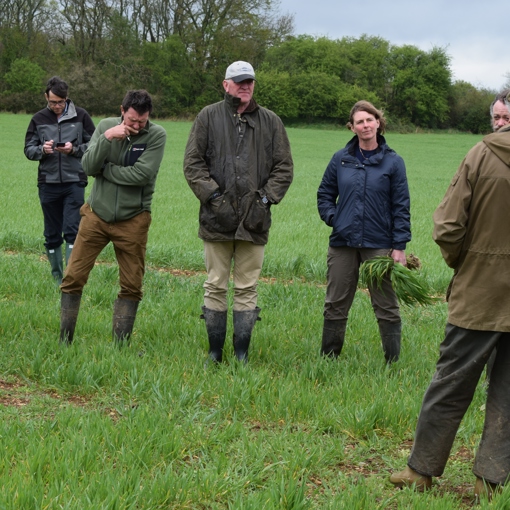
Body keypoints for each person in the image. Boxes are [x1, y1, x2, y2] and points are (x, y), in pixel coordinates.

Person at [389, 93, 510, 500]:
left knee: (451, 382)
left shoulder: (479, 155)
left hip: (478, 294)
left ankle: (421, 471)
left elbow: (447, 226)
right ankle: (489, 482)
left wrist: (467, 262)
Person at [183, 61, 293, 363]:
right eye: (239, 81)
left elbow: (283, 168)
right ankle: (215, 352)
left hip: (254, 222)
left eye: (250, 82)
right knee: (215, 284)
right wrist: (215, 200)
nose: (245, 86)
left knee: (247, 287)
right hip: (215, 220)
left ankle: (242, 353)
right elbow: (193, 165)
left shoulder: (271, 121)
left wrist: (265, 202)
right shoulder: (208, 117)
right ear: (225, 84)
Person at [59, 90, 167, 344]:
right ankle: (65, 340)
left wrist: (105, 170)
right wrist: (107, 138)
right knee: (73, 277)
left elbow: (141, 176)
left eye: (142, 121)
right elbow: (87, 166)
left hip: (133, 219)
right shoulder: (106, 127)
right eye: (132, 120)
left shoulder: (156, 135)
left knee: (131, 285)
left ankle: (120, 346)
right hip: (96, 215)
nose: (137, 126)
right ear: (122, 111)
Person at [317, 100, 410, 363]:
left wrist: (399, 245)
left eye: (370, 120)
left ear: (378, 123)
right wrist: (335, 218)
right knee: (335, 303)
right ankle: (329, 359)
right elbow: (325, 194)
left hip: (378, 243)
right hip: (342, 243)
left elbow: (401, 206)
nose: (365, 125)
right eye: (360, 121)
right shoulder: (341, 159)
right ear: (352, 127)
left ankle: (392, 362)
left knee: (386, 304)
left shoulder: (393, 162)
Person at [24, 76, 95, 284]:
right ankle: (57, 278)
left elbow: (94, 145)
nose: (57, 106)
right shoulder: (38, 119)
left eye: (61, 102)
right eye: (53, 101)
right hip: (48, 183)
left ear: (67, 98)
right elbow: (28, 149)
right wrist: (42, 150)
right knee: (51, 232)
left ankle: (70, 277)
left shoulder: (81, 116)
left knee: (72, 230)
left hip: (75, 181)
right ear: (46, 96)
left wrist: (74, 149)